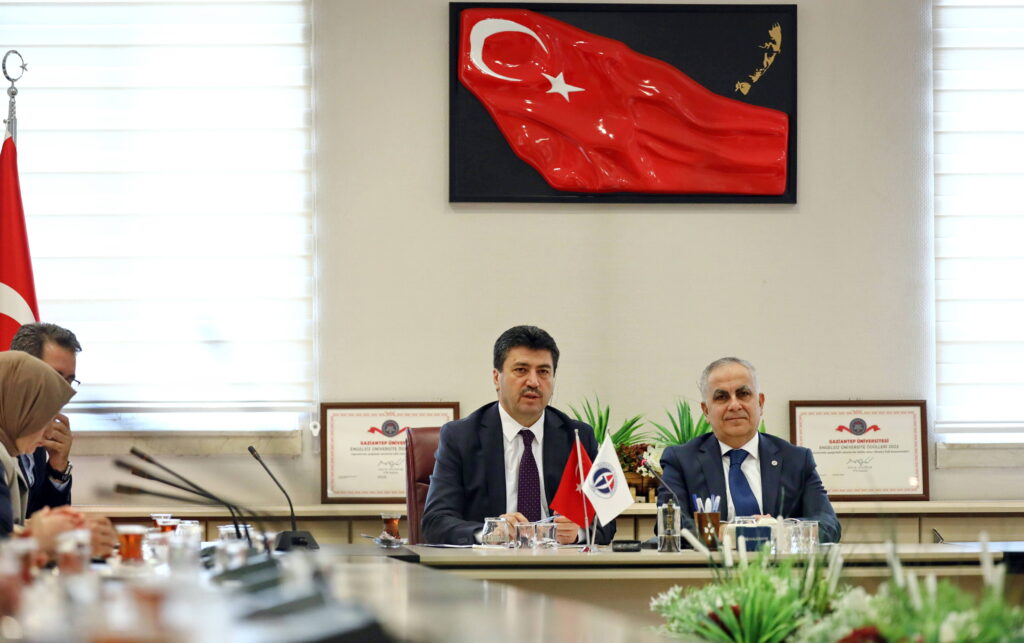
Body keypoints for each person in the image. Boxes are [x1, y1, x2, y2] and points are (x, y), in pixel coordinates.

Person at [422, 325, 616, 546]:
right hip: (490, 562)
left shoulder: (576, 437)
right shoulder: (461, 437)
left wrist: (578, 533)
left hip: (559, 561)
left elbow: (607, 521)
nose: (533, 382)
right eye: (521, 370)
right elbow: (435, 523)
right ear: (497, 378)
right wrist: (490, 532)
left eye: (543, 372)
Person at [658, 357, 841, 543]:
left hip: (778, 561)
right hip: (710, 562)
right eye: (721, 397)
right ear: (706, 411)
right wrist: (734, 533)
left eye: (743, 394)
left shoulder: (796, 460)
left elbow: (828, 525)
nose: (734, 405)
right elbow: (669, 524)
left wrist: (779, 530)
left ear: (760, 403)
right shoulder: (681, 461)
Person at [10, 322, 118, 556]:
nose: (64, 393)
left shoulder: (38, 437)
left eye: (69, 382)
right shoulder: (7, 435)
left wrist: (57, 468)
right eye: (55, 377)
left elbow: (43, 521)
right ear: (23, 374)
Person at [0, 351, 75, 536]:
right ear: (20, 406)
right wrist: (39, 536)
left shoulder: (11, 451)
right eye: (43, 417)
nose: (49, 432)